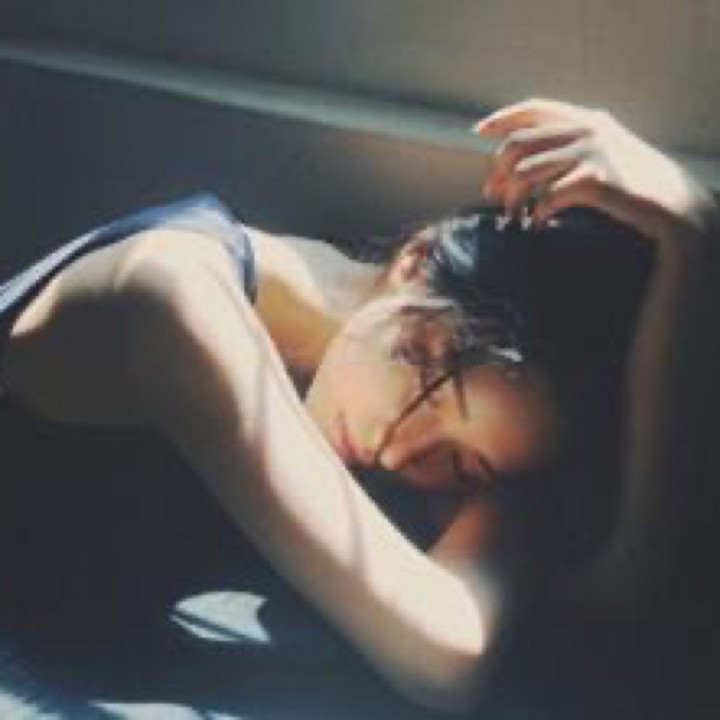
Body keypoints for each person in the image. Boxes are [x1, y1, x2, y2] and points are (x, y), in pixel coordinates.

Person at [0, 98, 717, 711]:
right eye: (427, 387)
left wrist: (693, 237)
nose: (397, 453)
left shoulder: (388, 376)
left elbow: (615, 592)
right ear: (414, 261)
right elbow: (444, 660)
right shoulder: (171, 298)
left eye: (463, 465)